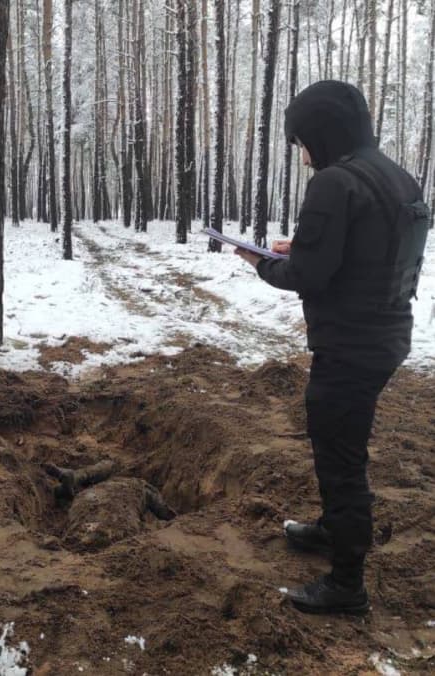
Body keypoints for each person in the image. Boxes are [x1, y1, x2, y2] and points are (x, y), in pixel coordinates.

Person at [235, 80, 429, 615]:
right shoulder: (397, 177)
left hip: (349, 347)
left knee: (341, 458)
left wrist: (261, 262)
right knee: (343, 445)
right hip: (387, 335)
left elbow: (309, 277)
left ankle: (347, 585)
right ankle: (329, 530)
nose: (302, 155)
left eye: (302, 142)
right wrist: (308, 245)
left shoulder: (334, 183)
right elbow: (374, 248)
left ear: (322, 133)